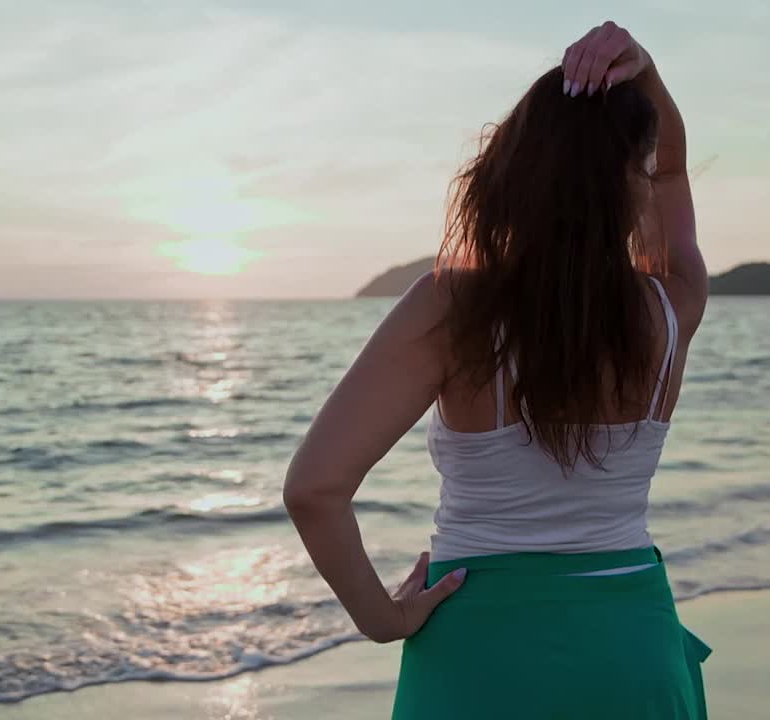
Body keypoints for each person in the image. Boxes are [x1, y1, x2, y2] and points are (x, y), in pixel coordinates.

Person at [284, 21, 711, 719]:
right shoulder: (672, 305)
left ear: (511, 175)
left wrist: (382, 619)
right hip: (630, 645)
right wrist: (646, 73)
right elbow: (671, 169)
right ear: (630, 185)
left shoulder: (454, 309)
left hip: (477, 649)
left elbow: (314, 489)